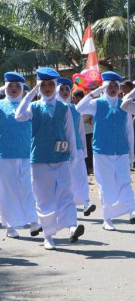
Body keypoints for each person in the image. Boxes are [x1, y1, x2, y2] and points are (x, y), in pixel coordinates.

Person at [15, 67, 85, 250]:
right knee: (44, 198)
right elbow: (18, 115)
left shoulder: (64, 107)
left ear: (55, 86)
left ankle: (72, 226)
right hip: (40, 158)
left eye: (50, 84)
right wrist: (30, 93)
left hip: (61, 157)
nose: (47, 88)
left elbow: (70, 132)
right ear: (39, 86)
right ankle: (48, 236)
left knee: (66, 193)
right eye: (43, 84)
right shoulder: (34, 107)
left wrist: (74, 157)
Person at [0, 72, 41, 239]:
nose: (13, 89)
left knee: (28, 188)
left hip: (26, 153)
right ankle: (10, 225)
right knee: (7, 191)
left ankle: (34, 221)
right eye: (10, 86)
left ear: (22, 89)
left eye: (17, 86)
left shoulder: (29, 105)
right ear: (5, 87)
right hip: (4, 154)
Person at [77, 71, 135, 231]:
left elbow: (129, 130)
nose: (113, 88)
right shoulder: (97, 103)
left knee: (125, 181)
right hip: (102, 151)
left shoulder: (125, 104)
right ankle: (107, 218)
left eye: (116, 85)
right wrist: (94, 92)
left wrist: (132, 153)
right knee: (105, 185)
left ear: (120, 88)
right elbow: (79, 108)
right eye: (110, 85)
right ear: (104, 87)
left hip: (121, 151)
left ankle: (131, 210)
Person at [57, 78, 96, 216]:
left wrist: (83, 149)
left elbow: (80, 130)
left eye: (67, 89)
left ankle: (86, 203)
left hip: (77, 147)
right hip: (60, 146)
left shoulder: (75, 108)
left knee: (80, 175)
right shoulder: (54, 108)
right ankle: (64, 204)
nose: (65, 92)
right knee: (64, 176)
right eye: (61, 89)